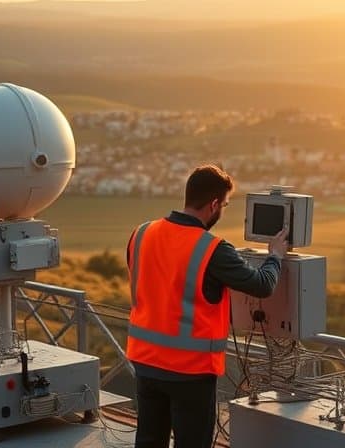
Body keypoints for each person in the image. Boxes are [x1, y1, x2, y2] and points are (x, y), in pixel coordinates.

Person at [126, 164, 288, 448]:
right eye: (224, 205)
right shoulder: (212, 249)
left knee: (149, 441)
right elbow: (263, 285)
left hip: (145, 362)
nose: (222, 210)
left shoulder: (142, 233)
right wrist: (275, 256)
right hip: (189, 371)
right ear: (213, 204)